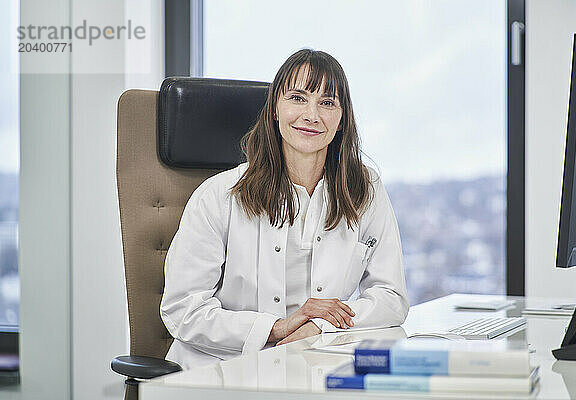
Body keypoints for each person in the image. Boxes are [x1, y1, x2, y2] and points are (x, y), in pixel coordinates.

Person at [160, 49, 409, 369]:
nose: (312, 115)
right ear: (275, 109)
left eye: (328, 102)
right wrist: (274, 329)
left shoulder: (364, 190)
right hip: (220, 370)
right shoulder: (219, 195)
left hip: (312, 364)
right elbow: (183, 309)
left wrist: (319, 325)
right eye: (298, 98)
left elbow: (391, 298)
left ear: (341, 118)